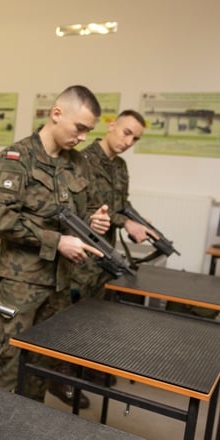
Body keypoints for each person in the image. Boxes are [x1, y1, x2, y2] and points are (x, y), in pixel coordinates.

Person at [0, 85, 110, 409]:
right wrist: (57, 241)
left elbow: (84, 209)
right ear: (56, 114)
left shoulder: (78, 163)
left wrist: (94, 221)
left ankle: (24, 434)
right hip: (21, 285)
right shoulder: (16, 158)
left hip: (60, 285)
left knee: (41, 366)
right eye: (79, 128)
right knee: (7, 365)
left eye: (88, 131)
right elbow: (2, 218)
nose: (82, 137)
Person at [71, 110, 151, 302]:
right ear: (112, 126)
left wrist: (138, 222)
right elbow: (85, 207)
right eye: (127, 133)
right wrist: (126, 223)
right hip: (82, 255)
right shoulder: (82, 161)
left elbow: (121, 203)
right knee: (73, 315)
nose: (129, 142)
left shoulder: (120, 165)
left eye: (135, 139)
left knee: (99, 313)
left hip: (106, 254)